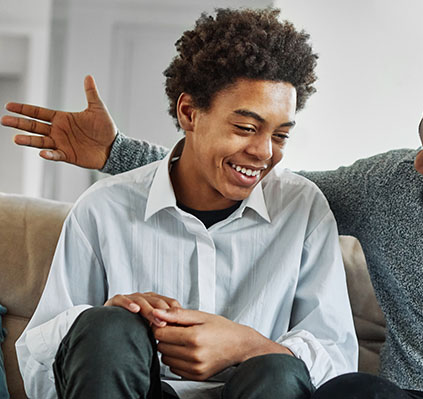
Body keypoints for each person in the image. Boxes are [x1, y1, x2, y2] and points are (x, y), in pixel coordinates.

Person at [4, 57, 423, 397]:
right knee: (346, 391)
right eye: (421, 139)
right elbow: (261, 183)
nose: (415, 163)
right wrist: (117, 154)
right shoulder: (391, 183)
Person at [6, 8, 358, 399]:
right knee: (106, 327)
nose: (263, 152)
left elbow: (337, 360)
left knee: (277, 369)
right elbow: (38, 364)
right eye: (245, 128)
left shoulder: (303, 208)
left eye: (280, 135)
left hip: (253, 392)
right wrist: (106, 319)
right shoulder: (103, 208)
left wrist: (245, 344)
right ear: (189, 113)